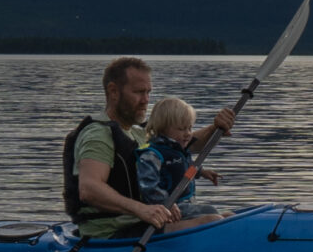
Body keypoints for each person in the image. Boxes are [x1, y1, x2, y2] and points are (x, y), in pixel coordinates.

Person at [63, 56, 235, 239]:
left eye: (148, 92)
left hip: (143, 223)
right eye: (138, 92)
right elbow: (89, 189)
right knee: (212, 222)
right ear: (113, 91)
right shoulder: (98, 135)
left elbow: (181, 144)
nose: (146, 100)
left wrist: (216, 128)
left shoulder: (137, 132)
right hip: (111, 232)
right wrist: (142, 209)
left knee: (229, 217)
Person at [137, 96, 221, 214]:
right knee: (210, 211)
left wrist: (201, 172)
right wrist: (166, 204)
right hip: (170, 210)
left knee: (226, 215)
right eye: (181, 129)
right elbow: (147, 186)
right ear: (163, 128)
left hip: (187, 204)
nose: (187, 134)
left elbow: (186, 169)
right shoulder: (152, 155)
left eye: (190, 128)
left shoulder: (179, 150)